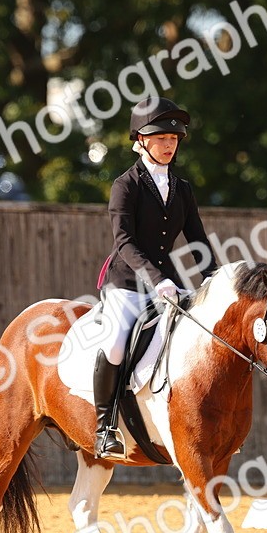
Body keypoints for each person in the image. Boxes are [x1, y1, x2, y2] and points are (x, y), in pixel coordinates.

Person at [92, 97, 219, 459]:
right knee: (116, 344)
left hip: (169, 283)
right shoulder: (125, 185)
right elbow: (124, 241)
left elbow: (197, 240)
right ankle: (105, 427)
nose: (168, 145)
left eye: (174, 139)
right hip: (128, 282)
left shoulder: (183, 189)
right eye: (161, 138)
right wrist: (156, 279)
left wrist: (216, 280)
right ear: (141, 140)